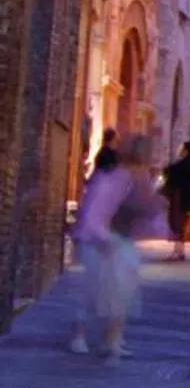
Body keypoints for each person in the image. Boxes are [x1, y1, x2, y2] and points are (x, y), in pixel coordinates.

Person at [68, 136, 164, 359]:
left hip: (119, 241)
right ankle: (81, 336)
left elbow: (146, 213)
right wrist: (105, 238)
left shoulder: (137, 179)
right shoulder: (117, 178)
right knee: (94, 290)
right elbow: (95, 213)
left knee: (122, 291)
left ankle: (112, 339)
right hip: (100, 241)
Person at [160, 142, 190, 262]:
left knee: (178, 224)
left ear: (186, 151)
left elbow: (170, 172)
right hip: (188, 198)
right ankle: (180, 251)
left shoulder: (184, 163)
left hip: (180, 198)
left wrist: (166, 172)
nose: (179, 150)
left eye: (181, 148)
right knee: (183, 225)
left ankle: (177, 252)